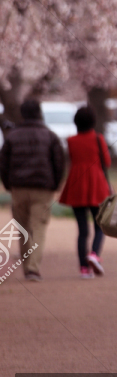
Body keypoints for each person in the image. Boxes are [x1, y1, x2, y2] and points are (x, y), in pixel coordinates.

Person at [0, 98, 65, 282]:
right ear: (39, 113)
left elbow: (3, 164)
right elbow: (58, 162)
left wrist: (8, 184)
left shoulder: (12, 136)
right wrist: (55, 183)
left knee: (23, 228)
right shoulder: (50, 136)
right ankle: (33, 269)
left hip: (18, 187)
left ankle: (28, 265)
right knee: (39, 227)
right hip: (43, 188)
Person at [59, 105, 111, 279]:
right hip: (96, 184)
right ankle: (94, 254)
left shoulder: (71, 140)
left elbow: (72, 160)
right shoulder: (98, 138)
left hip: (76, 185)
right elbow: (107, 162)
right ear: (93, 121)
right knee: (100, 225)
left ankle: (83, 268)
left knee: (82, 230)